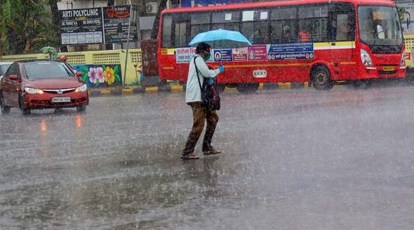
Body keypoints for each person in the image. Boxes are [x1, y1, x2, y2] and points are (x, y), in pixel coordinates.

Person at [181, 42, 225, 160]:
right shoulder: (198, 59)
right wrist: (219, 70)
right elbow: (207, 73)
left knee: (213, 119)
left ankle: (207, 147)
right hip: (196, 98)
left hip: (203, 98)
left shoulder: (200, 61)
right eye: (208, 51)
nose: (209, 53)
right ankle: (187, 152)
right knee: (198, 125)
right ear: (202, 51)